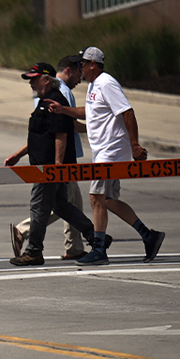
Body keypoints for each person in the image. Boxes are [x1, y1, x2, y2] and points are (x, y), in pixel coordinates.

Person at [46, 46, 165, 266]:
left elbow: (127, 111)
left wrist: (135, 144)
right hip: (103, 150)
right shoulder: (94, 85)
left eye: (81, 63)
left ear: (93, 64)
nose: (78, 68)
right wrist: (63, 110)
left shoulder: (107, 83)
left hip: (111, 150)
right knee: (108, 200)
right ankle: (149, 235)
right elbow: (89, 111)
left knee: (95, 197)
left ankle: (99, 249)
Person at [3, 63, 96, 266]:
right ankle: (96, 238)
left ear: (46, 80)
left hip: (48, 169)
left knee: (38, 208)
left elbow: (61, 135)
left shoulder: (55, 102)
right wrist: (17, 155)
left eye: (34, 79)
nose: (31, 83)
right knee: (61, 206)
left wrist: (56, 167)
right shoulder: (44, 102)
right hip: (45, 167)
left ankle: (34, 251)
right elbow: (40, 137)